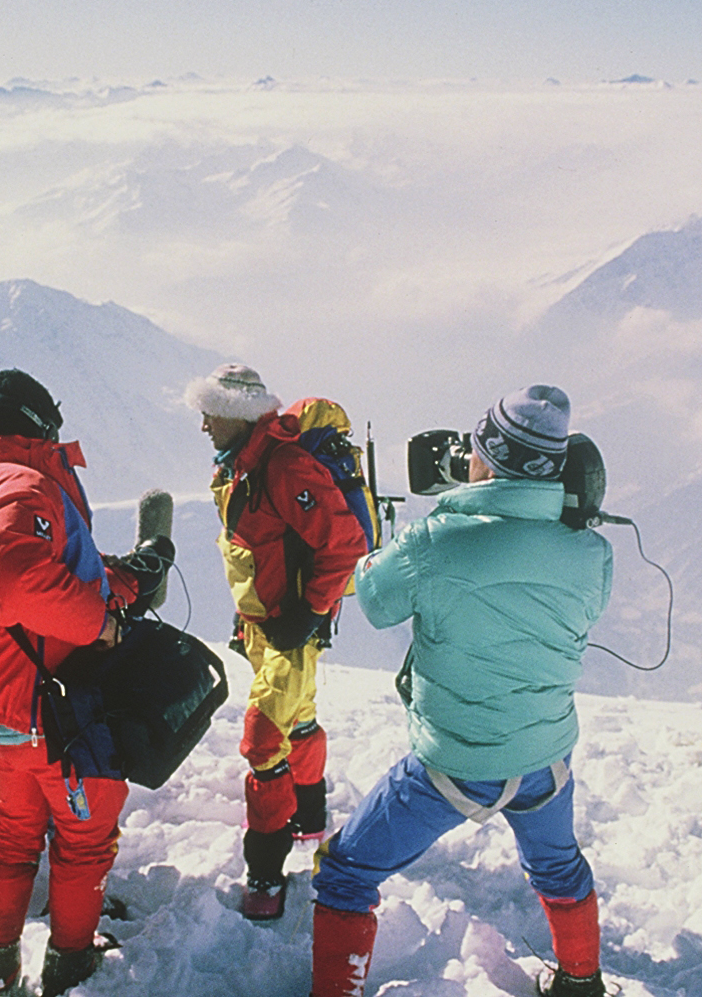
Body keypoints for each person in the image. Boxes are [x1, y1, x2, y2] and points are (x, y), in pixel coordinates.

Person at [308, 385, 614, 997]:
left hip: (455, 764)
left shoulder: (436, 540)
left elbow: (375, 601)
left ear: (489, 458)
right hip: (545, 760)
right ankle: (581, 982)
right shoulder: (592, 553)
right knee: (558, 866)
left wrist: (417, 527)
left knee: (344, 874)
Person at [0, 369, 143, 996]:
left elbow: (20, 575)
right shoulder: (20, 482)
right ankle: (70, 964)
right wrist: (102, 623)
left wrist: (119, 581)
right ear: (38, 423)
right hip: (50, 709)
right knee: (82, 840)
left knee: (12, 834)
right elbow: (17, 580)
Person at [183, 363, 368, 922]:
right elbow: (254, 547)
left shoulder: (284, 466)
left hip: (291, 627)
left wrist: (309, 613)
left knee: (264, 743)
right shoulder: (239, 464)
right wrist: (250, 617)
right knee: (299, 716)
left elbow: (345, 544)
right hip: (264, 624)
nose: (204, 426)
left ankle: (265, 873)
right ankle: (310, 817)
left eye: (211, 414)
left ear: (237, 414)